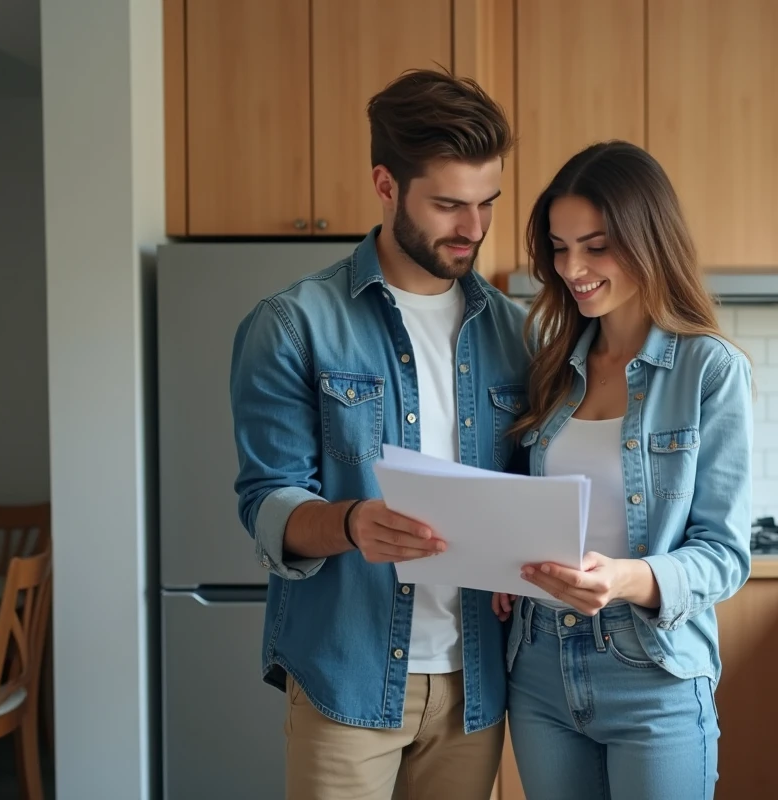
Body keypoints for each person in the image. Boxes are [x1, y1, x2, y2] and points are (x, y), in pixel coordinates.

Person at [229, 69, 529, 800]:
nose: (474, 228)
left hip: (476, 684)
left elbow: (527, 489)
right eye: (449, 205)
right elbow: (266, 504)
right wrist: (353, 523)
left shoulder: (517, 333)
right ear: (386, 185)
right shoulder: (294, 324)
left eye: (487, 203)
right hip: (348, 677)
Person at [492, 140, 754, 799]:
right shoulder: (550, 366)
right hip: (539, 666)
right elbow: (528, 510)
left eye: (596, 245)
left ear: (647, 240)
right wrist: (503, 568)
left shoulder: (708, 370)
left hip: (653, 670)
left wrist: (626, 579)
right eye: (559, 246)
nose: (572, 266)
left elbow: (725, 556)